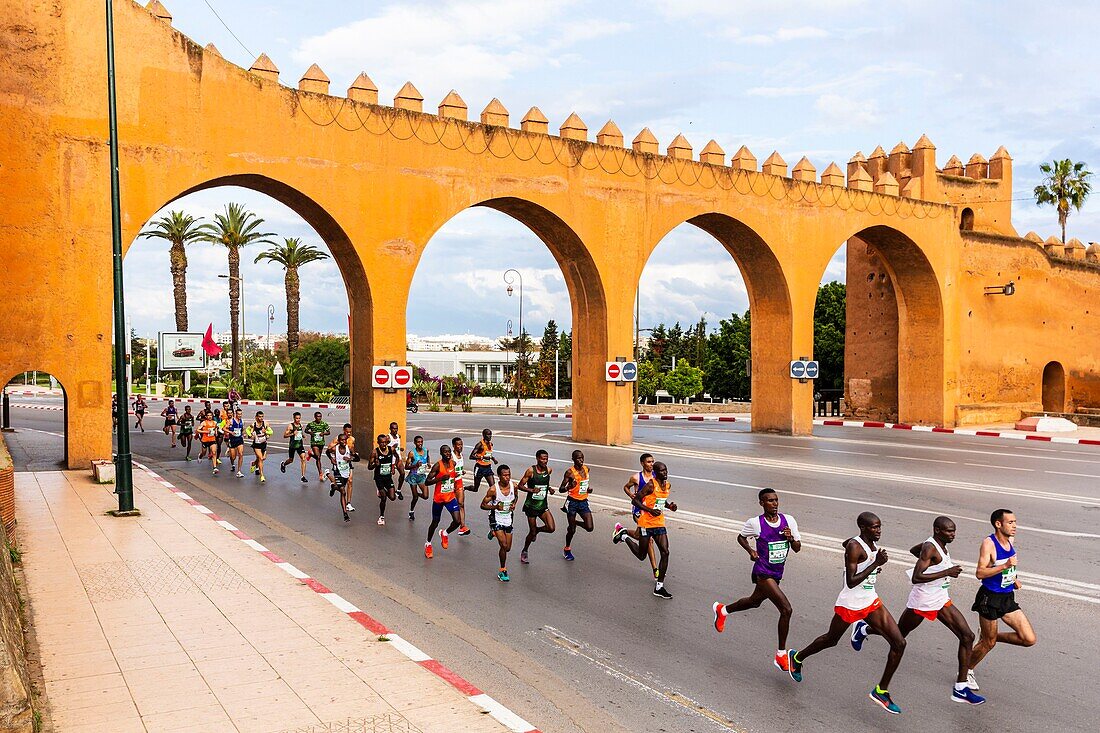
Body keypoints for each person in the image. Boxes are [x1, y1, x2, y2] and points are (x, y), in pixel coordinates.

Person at [851, 516, 985, 705]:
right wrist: (947, 572)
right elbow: (916, 577)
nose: (953, 534)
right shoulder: (930, 547)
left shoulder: (933, 546)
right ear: (937, 530)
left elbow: (916, 550)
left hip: (939, 599)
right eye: (948, 531)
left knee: (967, 636)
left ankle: (961, 688)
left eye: (954, 531)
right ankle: (864, 630)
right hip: (923, 601)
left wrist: (927, 555)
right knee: (897, 635)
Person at [787, 512, 907, 715]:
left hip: (870, 601)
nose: (878, 531)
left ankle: (881, 691)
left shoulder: (866, 544)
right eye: (874, 527)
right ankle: (797, 658)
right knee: (831, 640)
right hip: (850, 603)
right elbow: (851, 581)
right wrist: (876, 564)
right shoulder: (855, 546)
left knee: (899, 643)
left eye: (880, 527)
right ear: (862, 527)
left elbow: (848, 545)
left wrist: (871, 563)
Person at [711, 488, 801, 671]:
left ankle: (723, 610)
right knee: (786, 609)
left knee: (754, 602)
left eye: (776, 500)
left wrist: (791, 538)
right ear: (761, 503)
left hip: (777, 573)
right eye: (769, 501)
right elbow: (741, 538)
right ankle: (781, 655)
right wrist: (751, 551)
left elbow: (798, 548)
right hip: (763, 573)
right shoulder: (755, 523)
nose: (774, 504)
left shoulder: (788, 520)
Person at [966, 508, 1036, 692]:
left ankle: (988, 637)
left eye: (1015, 522)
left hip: (1006, 597)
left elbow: (1007, 568)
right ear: (998, 524)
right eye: (1010, 522)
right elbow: (980, 572)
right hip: (989, 598)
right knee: (988, 645)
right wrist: (1005, 565)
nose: (1015, 526)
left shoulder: (1010, 540)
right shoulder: (988, 544)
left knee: (1028, 639)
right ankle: (967, 670)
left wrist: (1014, 578)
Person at [613, 461, 677, 598]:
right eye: (662, 471)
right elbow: (635, 500)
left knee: (665, 552)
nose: (665, 473)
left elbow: (660, 501)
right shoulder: (650, 485)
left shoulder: (667, 485)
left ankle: (659, 587)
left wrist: (670, 506)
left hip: (659, 524)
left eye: (666, 470)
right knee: (641, 556)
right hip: (646, 524)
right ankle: (624, 536)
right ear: (655, 472)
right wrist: (649, 510)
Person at [622, 452, 658, 578]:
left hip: (650, 511)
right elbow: (626, 487)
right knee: (649, 540)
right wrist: (631, 495)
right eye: (649, 462)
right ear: (642, 463)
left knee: (638, 535)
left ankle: (623, 531)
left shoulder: (655, 476)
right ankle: (655, 570)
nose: (651, 464)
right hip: (638, 511)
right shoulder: (636, 477)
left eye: (653, 461)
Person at [517, 449, 555, 564]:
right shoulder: (530, 471)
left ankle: (537, 530)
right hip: (531, 507)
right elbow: (520, 485)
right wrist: (531, 490)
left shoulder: (549, 470)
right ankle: (525, 550)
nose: (545, 461)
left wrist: (549, 488)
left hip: (543, 505)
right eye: (543, 459)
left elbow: (545, 483)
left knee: (551, 528)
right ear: (537, 458)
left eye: (546, 459)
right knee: (531, 533)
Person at [424, 445, 462, 559]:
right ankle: (428, 543)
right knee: (435, 522)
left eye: (449, 452)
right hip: (439, 499)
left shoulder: (453, 464)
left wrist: (455, 486)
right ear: (441, 453)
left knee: (457, 521)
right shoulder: (437, 466)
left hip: (450, 497)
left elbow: (453, 477)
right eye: (445, 452)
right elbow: (427, 482)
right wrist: (440, 479)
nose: (448, 454)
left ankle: (444, 533)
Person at [481, 465, 518, 582]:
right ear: (499, 476)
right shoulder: (493, 489)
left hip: (508, 518)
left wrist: (513, 504)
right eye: (504, 475)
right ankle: (503, 570)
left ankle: (493, 533)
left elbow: (515, 497)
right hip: (495, 518)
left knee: (508, 548)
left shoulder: (514, 486)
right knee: (504, 545)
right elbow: (482, 505)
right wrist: (496, 506)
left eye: (509, 475)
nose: (507, 477)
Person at [559, 450, 594, 561]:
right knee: (572, 530)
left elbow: (584, 484)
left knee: (589, 527)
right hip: (572, 502)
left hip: (583, 501)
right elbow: (560, 489)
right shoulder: (569, 472)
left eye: (582, 458)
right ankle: (567, 548)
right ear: (573, 459)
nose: (581, 460)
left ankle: (575, 523)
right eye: (578, 458)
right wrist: (569, 487)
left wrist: (588, 489)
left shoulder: (587, 469)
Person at [368, 433, 404, 526]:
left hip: (388, 477)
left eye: (385, 442)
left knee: (392, 497)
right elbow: (369, 467)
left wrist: (393, 466)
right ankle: (381, 516)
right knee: (383, 498)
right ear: (378, 443)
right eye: (382, 443)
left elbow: (397, 457)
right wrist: (375, 464)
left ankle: (382, 491)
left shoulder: (391, 449)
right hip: (379, 478)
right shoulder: (375, 452)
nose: (384, 444)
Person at [325, 433, 358, 522]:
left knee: (340, 488)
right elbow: (327, 452)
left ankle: (333, 486)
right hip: (337, 472)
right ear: (339, 441)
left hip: (346, 472)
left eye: (345, 440)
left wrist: (350, 459)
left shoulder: (349, 448)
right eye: (342, 440)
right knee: (343, 492)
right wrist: (331, 459)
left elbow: (357, 458)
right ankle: (345, 513)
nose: (344, 442)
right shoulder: (335, 448)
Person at [329, 424, 360, 507]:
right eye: (347, 432)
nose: (348, 434)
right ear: (343, 430)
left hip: (347, 462)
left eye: (350, 432)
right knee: (340, 485)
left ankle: (348, 503)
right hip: (338, 463)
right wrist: (333, 459)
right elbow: (329, 449)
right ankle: (333, 485)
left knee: (350, 481)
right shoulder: (337, 439)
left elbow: (352, 451)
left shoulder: (352, 439)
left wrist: (352, 457)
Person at [405, 435, 431, 521]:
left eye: (421, 442)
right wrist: (415, 465)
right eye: (418, 442)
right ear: (415, 443)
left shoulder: (426, 450)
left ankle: (417, 494)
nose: (420, 444)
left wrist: (428, 463)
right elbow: (406, 467)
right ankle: (411, 511)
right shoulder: (412, 453)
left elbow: (427, 457)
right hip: (413, 477)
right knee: (415, 498)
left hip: (422, 476)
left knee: (426, 496)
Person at [280, 412, 309, 483]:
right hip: (292, 445)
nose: (298, 420)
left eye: (299, 418)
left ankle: (303, 476)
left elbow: (300, 432)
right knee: (291, 460)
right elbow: (284, 436)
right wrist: (293, 433)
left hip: (299, 445)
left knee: (303, 458)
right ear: (294, 418)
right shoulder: (290, 426)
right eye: (296, 418)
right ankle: (283, 464)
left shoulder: (301, 425)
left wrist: (304, 436)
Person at [246, 411, 273, 483]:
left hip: (263, 443)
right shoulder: (254, 425)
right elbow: (247, 429)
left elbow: (271, 432)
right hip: (257, 444)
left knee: (263, 458)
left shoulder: (265, 424)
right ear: (256, 417)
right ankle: (262, 475)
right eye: (259, 416)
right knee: (260, 458)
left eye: (262, 416)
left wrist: (266, 432)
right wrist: (250, 435)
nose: (261, 418)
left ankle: (254, 463)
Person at [451, 436, 471, 535]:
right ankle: (455, 523)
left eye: (461, 444)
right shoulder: (451, 456)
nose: (460, 446)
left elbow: (458, 468)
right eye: (458, 445)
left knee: (461, 504)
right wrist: (454, 474)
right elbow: (447, 469)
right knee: (449, 505)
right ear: (454, 446)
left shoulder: (461, 455)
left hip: (459, 482)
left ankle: (462, 526)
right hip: (451, 483)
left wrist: (461, 471)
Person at [470, 428, 499, 493]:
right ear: (484, 435)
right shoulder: (480, 445)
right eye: (488, 435)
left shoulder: (491, 444)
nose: (490, 436)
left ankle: (492, 501)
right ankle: (465, 488)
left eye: (491, 435)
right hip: (479, 468)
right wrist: (481, 457)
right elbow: (471, 456)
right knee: (475, 489)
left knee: (493, 487)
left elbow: (488, 454)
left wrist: (493, 459)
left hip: (487, 468)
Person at [305, 411, 331, 481]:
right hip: (314, 443)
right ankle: (320, 473)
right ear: (315, 417)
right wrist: (310, 432)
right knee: (318, 457)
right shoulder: (311, 424)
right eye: (317, 416)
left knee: (318, 458)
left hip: (321, 443)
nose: (319, 418)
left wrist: (324, 433)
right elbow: (306, 430)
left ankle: (310, 454)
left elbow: (329, 432)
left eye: (320, 416)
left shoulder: (324, 424)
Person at [197, 410, 220, 475]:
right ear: (206, 416)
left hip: (212, 439)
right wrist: (205, 432)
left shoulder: (214, 422)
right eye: (208, 415)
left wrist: (216, 433)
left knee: (214, 452)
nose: (210, 417)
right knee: (204, 453)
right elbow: (198, 430)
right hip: (205, 440)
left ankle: (215, 467)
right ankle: (200, 456)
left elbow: (215, 430)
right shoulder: (204, 423)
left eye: (211, 415)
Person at [226, 408, 247, 478]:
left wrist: (244, 434)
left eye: (241, 414)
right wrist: (231, 432)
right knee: (233, 457)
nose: (240, 415)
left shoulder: (242, 421)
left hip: (239, 439)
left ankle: (239, 471)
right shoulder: (231, 421)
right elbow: (224, 428)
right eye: (238, 414)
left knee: (241, 454)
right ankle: (232, 463)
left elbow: (243, 429)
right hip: (232, 440)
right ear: (235, 414)